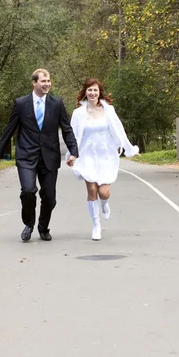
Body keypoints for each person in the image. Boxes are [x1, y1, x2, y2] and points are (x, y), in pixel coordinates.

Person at [0, 69, 78, 243]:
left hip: (49, 156)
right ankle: (29, 224)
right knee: (28, 191)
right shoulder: (21, 103)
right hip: (26, 156)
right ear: (34, 83)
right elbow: (10, 129)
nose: (47, 84)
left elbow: (66, 129)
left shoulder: (57, 103)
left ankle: (43, 227)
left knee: (49, 197)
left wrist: (73, 152)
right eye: (43, 81)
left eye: (48, 81)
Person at [67, 78, 139, 240]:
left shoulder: (108, 110)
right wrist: (72, 154)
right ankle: (96, 225)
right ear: (85, 92)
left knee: (103, 192)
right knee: (92, 190)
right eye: (89, 90)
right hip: (87, 155)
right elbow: (73, 135)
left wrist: (129, 149)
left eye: (95, 90)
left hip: (105, 155)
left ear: (100, 93)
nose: (92, 93)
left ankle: (105, 204)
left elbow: (119, 130)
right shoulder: (78, 113)